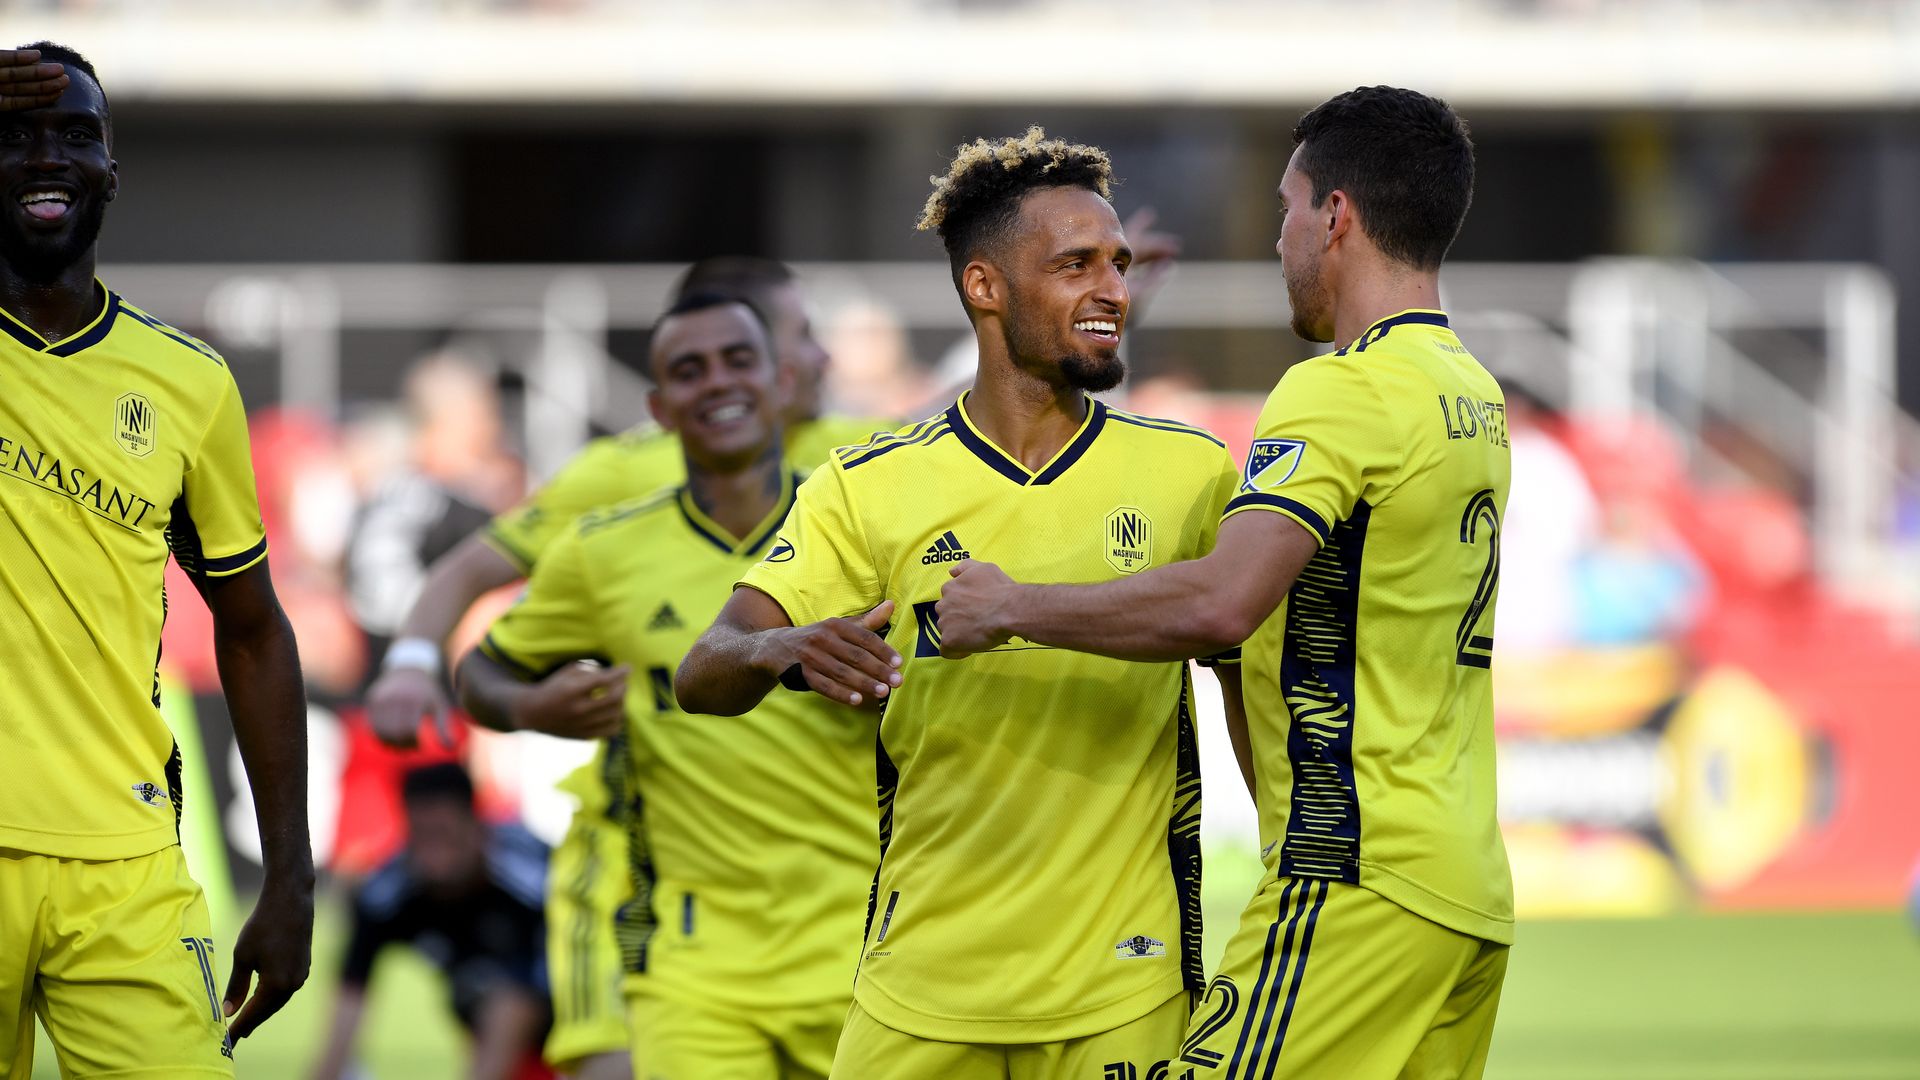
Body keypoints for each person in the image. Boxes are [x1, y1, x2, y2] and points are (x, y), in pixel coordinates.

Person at [934, 88, 1512, 1078]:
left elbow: (1220, 602)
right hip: (1463, 887)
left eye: (1286, 211)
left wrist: (1011, 607)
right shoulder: (1470, 394)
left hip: (1354, 877)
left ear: (1336, 217)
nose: (1279, 242)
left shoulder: (1341, 388)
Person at [676, 128, 1245, 1080]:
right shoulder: (868, 485)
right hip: (922, 986)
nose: (1111, 288)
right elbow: (705, 667)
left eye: (1118, 263)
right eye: (1075, 265)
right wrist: (786, 649)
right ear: (985, 287)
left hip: (1124, 985)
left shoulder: (1188, 471)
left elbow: (1245, 687)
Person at [363, 258, 886, 1080]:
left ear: (777, 374)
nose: (720, 383)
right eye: (689, 368)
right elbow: (478, 624)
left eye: (744, 358)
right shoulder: (607, 527)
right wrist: (497, 693)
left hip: (858, 928)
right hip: (674, 926)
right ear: (658, 407)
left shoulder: (863, 496)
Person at [0, 43, 312, 1077]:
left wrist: (290, 877)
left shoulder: (188, 383)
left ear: (111, 176)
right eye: (15, 136)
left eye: (76, 136)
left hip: (125, 865)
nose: (48, 156)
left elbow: (255, 626)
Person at [311, 763, 553, 1080]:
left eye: (444, 835)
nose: (432, 855)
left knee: (508, 999)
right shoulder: (387, 891)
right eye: (421, 837)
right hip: (482, 1015)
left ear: (475, 825)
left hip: (576, 1010)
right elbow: (351, 992)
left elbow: (533, 990)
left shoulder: (531, 878)